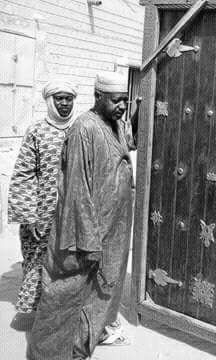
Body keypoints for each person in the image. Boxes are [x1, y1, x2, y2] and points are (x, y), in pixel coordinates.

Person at [27, 72, 138, 360]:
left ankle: (79, 351)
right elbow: (76, 189)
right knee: (67, 298)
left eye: (125, 100)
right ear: (98, 97)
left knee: (99, 297)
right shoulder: (84, 129)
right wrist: (89, 242)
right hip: (88, 235)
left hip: (112, 229)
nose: (122, 106)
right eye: (116, 100)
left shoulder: (114, 125)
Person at [8, 79, 78, 314]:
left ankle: (66, 314)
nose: (65, 103)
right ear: (50, 100)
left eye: (69, 98)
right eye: (59, 98)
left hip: (74, 212)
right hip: (43, 213)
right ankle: (42, 317)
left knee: (72, 262)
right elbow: (24, 174)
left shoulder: (80, 130)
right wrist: (29, 216)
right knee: (40, 260)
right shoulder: (37, 131)